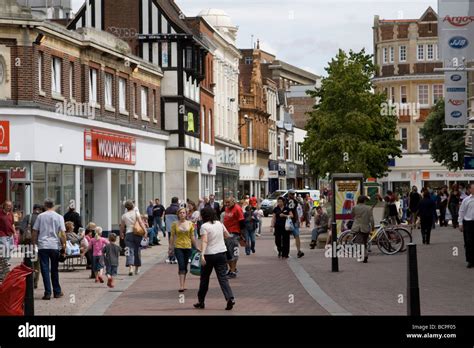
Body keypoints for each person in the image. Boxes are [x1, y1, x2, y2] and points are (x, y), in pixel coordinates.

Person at [194, 207, 235, 310]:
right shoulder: (219, 224)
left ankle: (201, 301)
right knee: (223, 278)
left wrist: (202, 254)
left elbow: (204, 241)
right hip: (221, 253)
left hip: (209, 254)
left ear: (204, 215)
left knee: (204, 279)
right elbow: (227, 235)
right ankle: (229, 297)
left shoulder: (204, 226)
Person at [32, 198, 66, 300]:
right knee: (54, 269)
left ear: (45, 205)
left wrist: (34, 243)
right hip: (54, 245)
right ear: (54, 205)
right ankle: (57, 292)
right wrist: (64, 246)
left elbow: (35, 231)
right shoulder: (59, 217)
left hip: (43, 246)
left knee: (45, 270)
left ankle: (47, 293)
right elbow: (62, 233)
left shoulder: (40, 216)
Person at [169, 207, 199, 292]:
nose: (182, 214)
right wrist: (170, 247)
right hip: (178, 247)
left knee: (185, 266)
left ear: (186, 214)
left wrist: (196, 246)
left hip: (188, 247)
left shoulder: (190, 224)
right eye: (180, 213)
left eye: (183, 213)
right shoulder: (174, 224)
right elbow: (172, 236)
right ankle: (181, 286)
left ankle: (184, 284)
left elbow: (192, 236)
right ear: (178, 214)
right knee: (181, 265)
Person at [19, 203, 43, 288]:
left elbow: (21, 228)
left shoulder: (28, 217)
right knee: (37, 263)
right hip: (39, 244)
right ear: (40, 210)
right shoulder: (42, 218)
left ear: (33, 209)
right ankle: (35, 281)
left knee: (28, 262)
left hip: (28, 243)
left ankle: (29, 280)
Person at [120, 200, 147, 276]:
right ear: (133, 206)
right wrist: (145, 231)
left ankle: (130, 267)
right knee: (137, 250)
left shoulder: (124, 216)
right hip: (137, 233)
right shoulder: (136, 213)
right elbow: (141, 222)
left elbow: (122, 226)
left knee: (129, 250)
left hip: (128, 234)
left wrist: (121, 233)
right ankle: (137, 268)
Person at [223, 197, 245, 278]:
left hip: (234, 233)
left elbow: (242, 222)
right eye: (226, 202)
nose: (227, 204)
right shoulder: (227, 208)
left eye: (228, 202)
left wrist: (241, 234)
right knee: (227, 253)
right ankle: (232, 269)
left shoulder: (237, 209)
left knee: (233, 253)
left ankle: (232, 271)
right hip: (226, 233)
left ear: (233, 201)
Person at [351, 196, 374, 263]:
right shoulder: (369, 208)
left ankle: (364, 255)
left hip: (357, 227)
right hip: (366, 227)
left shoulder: (355, 207)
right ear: (364, 201)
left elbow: (352, 216)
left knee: (360, 242)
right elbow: (371, 219)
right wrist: (372, 227)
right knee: (364, 242)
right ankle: (364, 255)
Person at [458, 183, 474, 268]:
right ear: (470, 190)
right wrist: (460, 223)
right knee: (468, 242)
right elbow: (461, 212)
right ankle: (470, 260)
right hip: (468, 223)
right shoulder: (466, 200)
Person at [286, 190, 304, 258]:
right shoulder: (294, 201)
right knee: (288, 237)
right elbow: (296, 211)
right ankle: (286, 251)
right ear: (288, 194)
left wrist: (297, 220)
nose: (293, 195)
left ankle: (298, 251)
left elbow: (296, 211)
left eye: (293, 194)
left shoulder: (291, 201)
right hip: (289, 221)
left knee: (297, 236)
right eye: (292, 194)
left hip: (291, 221)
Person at [0, 200, 15, 282]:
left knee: (11, 248)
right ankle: (4, 262)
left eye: (10, 206)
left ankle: (5, 260)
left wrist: (15, 233)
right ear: (4, 206)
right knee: (5, 248)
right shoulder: (0, 213)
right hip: (2, 234)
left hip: (10, 234)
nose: (9, 207)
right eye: (8, 206)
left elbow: (12, 224)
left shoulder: (11, 214)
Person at [164, 197, 180, 264]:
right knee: (176, 242)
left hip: (169, 228)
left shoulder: (167, 209)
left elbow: (164, 219)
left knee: (170, 243)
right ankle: (175, 257)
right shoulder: (178, 209)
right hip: (176, 228)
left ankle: (171, 256)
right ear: (177, 202)